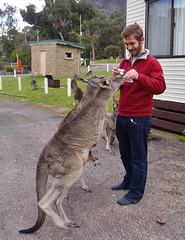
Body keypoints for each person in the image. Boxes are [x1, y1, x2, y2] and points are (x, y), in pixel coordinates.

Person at [112, 23, 166, 205]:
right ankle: (128, 181)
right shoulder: (125, 62)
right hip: (122, 115)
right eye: (126, 44)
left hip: (140, 118)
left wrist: (139, 77)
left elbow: (160, 87)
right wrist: (116, 77)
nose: (128, 48)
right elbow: (121, 87)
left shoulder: (152, 63)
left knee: (138, 157)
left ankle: (136, 192)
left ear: (142, 40)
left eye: (132, 43)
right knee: (125, 154)